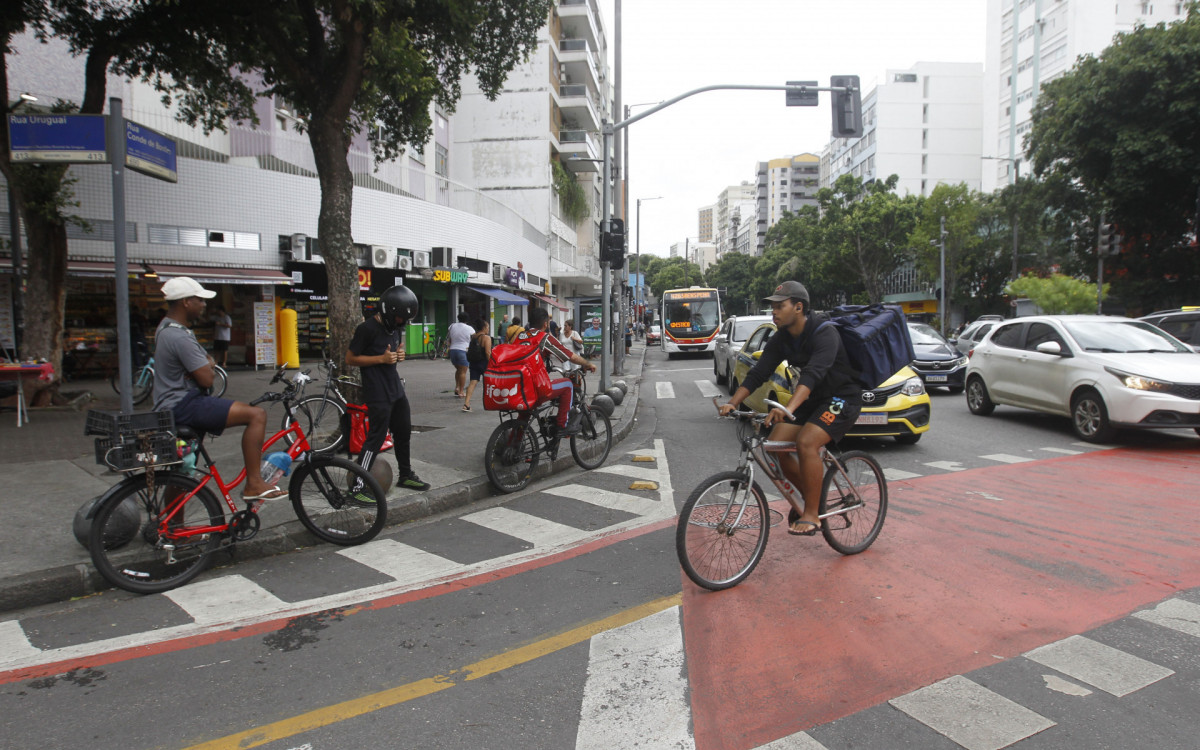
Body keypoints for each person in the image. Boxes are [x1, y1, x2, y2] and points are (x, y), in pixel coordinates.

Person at [718, 281, 863, 536]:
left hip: (841, 398)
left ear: (798, 307)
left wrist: (787, 408)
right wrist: (733, 402)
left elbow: (812, 375)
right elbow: (758, 374)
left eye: (779, 306)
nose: (773, 311)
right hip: (812, 399)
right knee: (775, 445)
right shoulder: (781, 338)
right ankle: (814, 498)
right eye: (772, 306)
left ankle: (812, 514)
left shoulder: (824, 332)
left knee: (807, 442)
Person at [152, 277, 285, 502]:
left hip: (171, 405)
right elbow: (206, 378)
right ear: (186, 302)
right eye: (200, 300)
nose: (204, 305)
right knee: (256, 415)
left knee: (183, 470)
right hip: (184, 403)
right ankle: (254, 483)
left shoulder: (165, 328)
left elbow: (205, 363)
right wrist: (208, 365)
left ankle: (175, 529)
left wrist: (207, 362)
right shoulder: (179, 336)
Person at [346, 285, 431, 494]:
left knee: (403, 432)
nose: (402, 323)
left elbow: (393, 353)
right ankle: (357, 486)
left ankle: (405, 475)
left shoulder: (394, 327)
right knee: (376, 436)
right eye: (400, 318)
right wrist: (381, 359)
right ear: (388, 311)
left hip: (395, 388)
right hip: (377, 391)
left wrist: (398, 356)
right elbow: (350, 359)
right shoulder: (366, 329)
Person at [517, 306, 595, 435]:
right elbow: (570, 356)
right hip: (533, 388)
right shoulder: (543, 337)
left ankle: (514, 445)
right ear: (545, 323)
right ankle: (562, 425)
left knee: (525, 415)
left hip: (516, 386)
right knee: (567, 385)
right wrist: (587, 364)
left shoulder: (520, 336)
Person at [461, 318, 492, 412]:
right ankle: (491, 402)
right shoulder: (486, 338)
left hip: (473, 362)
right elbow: (487, 352)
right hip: (484, 363)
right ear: (483, 328)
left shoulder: (473, 337)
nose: (488, 329)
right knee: (489, 383)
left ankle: (466, 404)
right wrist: (491, 362)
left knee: (472, 382)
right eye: (487, 327)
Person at [447, 311, 473, 398]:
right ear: (467, 319)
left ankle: (457, 388)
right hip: (463, 350)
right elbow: (473, 339)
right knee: (463, 372)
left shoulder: (452, 326)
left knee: (458, 370)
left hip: (453, 350)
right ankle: (461, 391)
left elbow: (449, 338)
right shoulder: (470, 328)